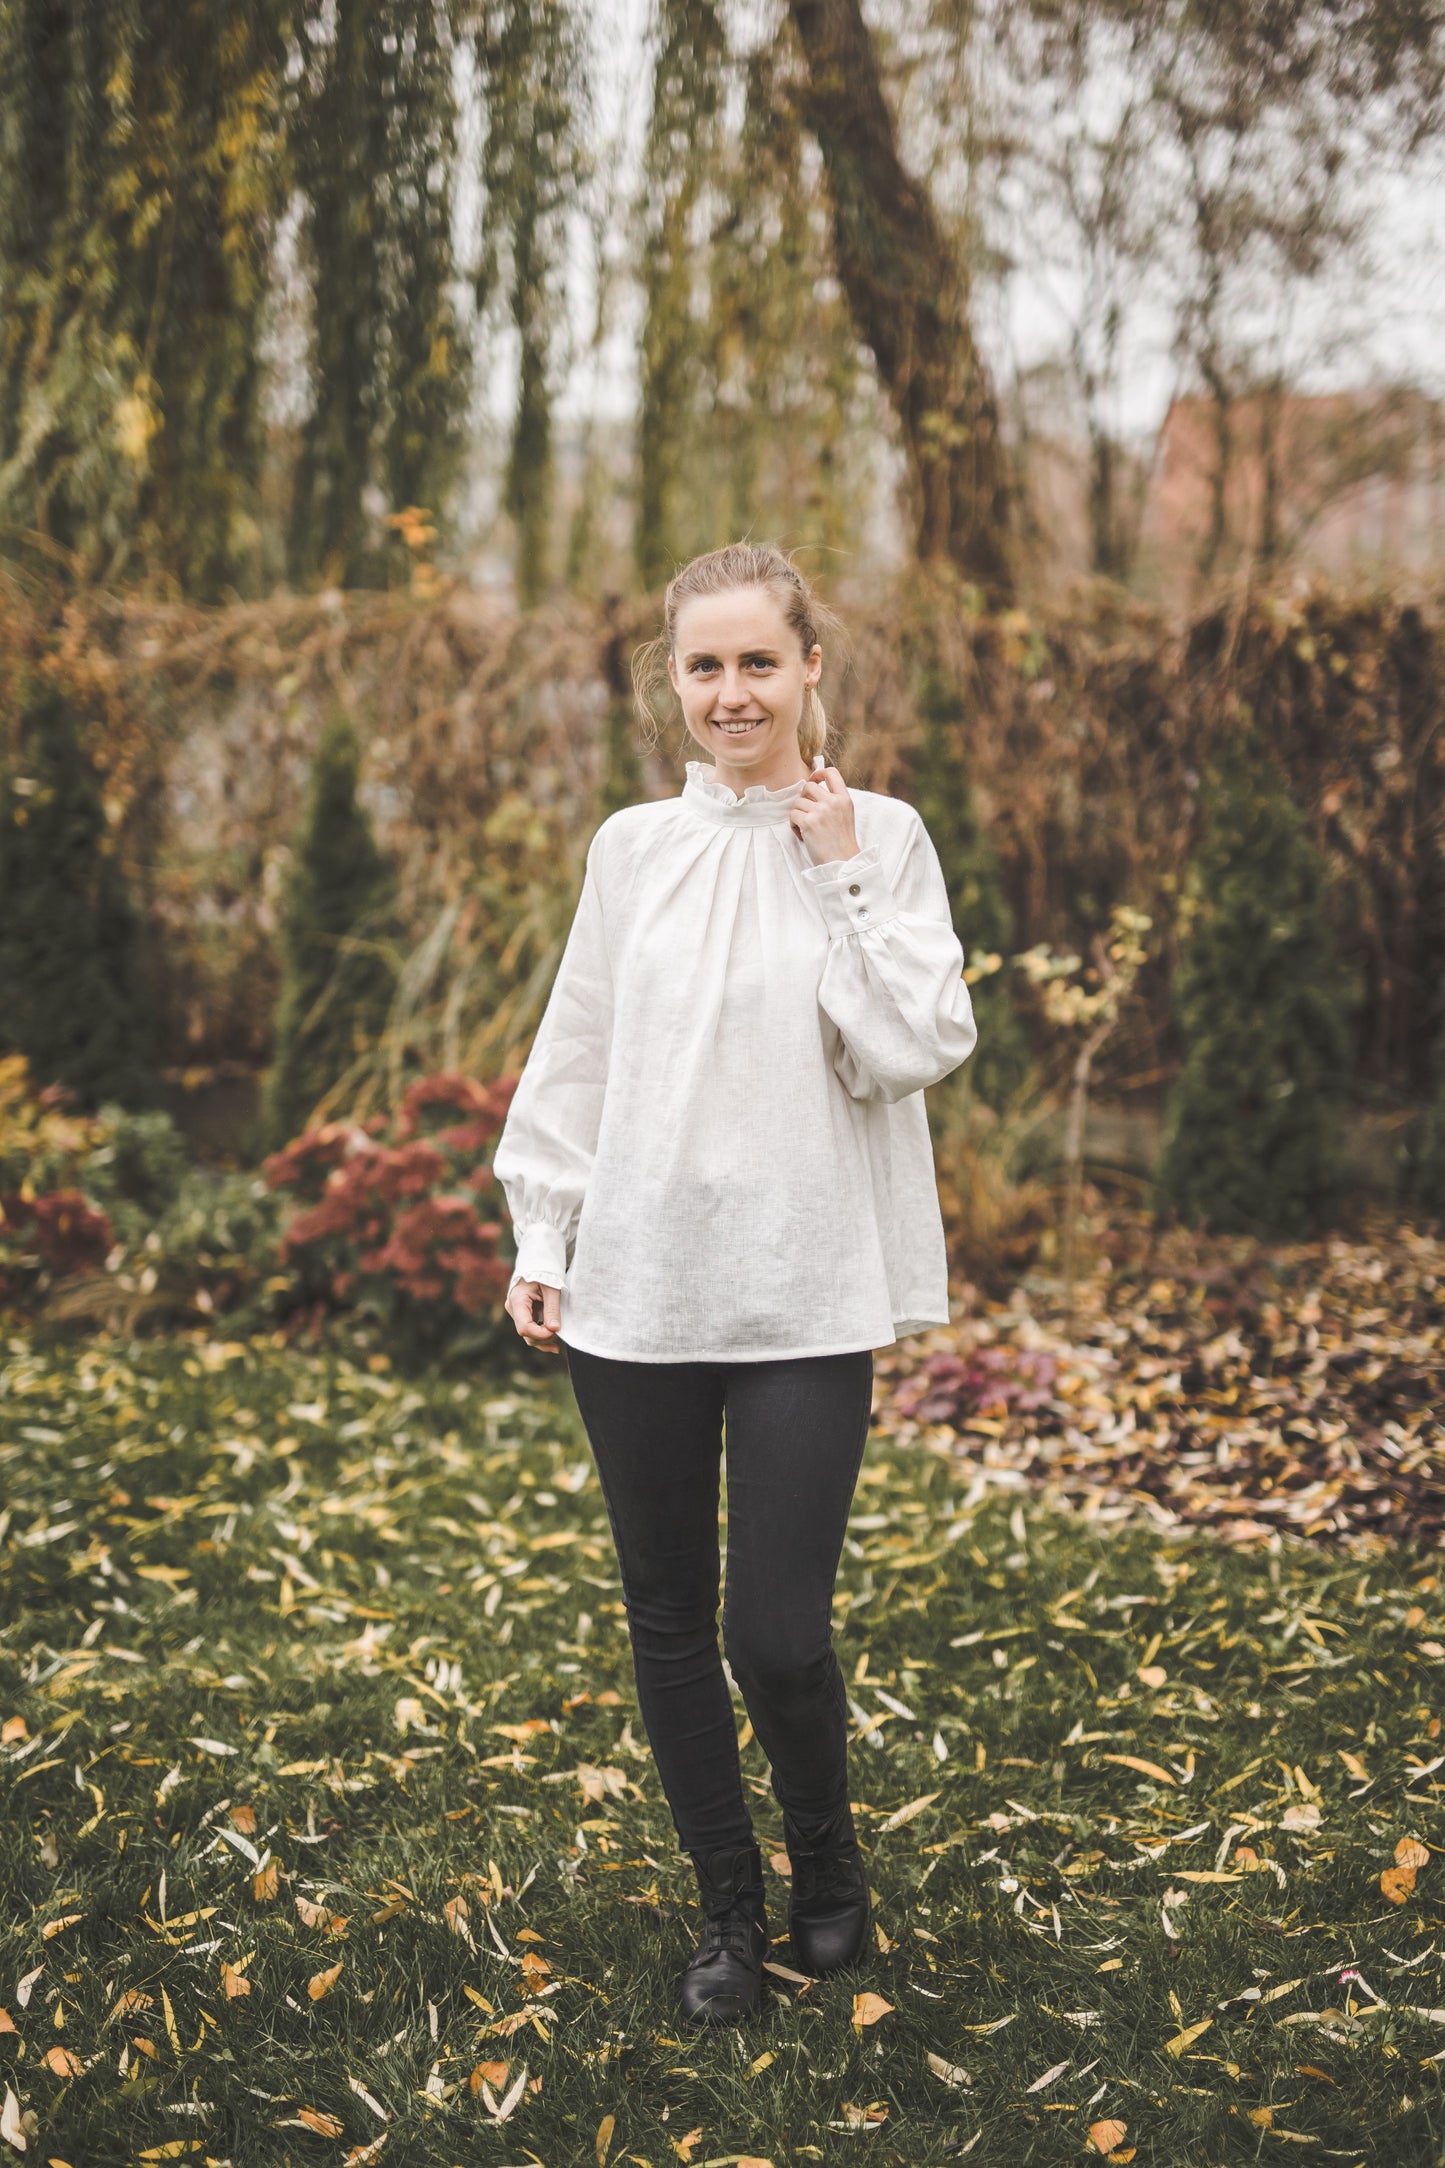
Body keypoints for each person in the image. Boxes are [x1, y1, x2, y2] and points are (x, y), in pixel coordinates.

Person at [492, 541, 978, 2028]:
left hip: (803, 1290)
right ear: (674, 681)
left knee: (777, 1628)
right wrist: (541, 1227)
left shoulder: (879, 838)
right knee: (664, 1617)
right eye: (703, 666)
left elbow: (909, 1045)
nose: (730, 693)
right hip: (635, 1290)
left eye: (757, 661)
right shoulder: (629, 849)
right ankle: (728, 1906)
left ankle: (827, 1859)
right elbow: (577, 1047)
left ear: (809, 667)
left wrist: (832, 876)